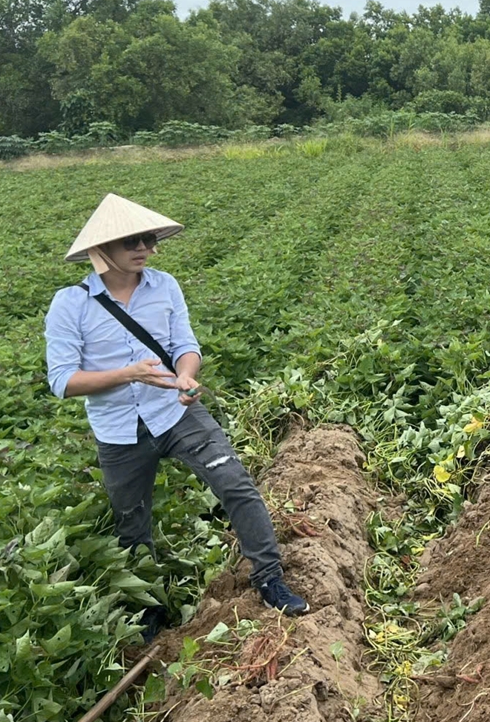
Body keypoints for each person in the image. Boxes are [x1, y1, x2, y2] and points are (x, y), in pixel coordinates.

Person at [45, 193, 309, 637]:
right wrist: (127, 374)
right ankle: (148, 609)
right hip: (118, 430)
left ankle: (269, 578)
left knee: (237, 486)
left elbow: (186, 345)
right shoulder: (71, 304)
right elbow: (62, 380)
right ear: (101, 250)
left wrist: (186, 375)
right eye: (132, 240)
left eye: (148, 238)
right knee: (132, 522)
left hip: (176, 413)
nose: (144, 247)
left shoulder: (164, 286)